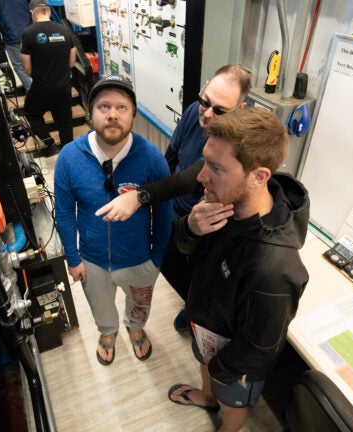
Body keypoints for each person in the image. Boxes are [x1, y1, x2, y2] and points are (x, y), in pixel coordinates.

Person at [166, 107, 310, 432]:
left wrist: (221, 367)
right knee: (208, 375)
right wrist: (190, 227)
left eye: (216, 168)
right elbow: (183, 250)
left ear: (258, 176)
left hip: (232, 361)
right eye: (205, 162)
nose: (202, 177)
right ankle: (207, 397)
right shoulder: (224, 202)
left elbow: (259, 348)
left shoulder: (273, 267)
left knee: (232, 403)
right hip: (205, 325)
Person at [100, 65, 251, 334]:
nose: (207, 113)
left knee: (193, 277)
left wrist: (142, 196)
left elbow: (192, 176)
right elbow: (171, 158)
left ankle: (193, 308)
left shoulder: (236, 141)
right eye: (206, 101)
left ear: (240, 109)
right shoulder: (196, 112)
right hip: (172, 208)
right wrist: (151, 202)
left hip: (202, 221)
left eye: (219, 110)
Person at [54, 75, 172, 366]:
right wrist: (73, 257)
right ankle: (108, 333)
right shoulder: (69, 157)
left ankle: (135, 327)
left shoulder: (151, 157)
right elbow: (65, 211)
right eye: (104, 106)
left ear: (133, 115)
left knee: (140, 303)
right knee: (100, 306)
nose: (112, 114)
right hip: (91, 260)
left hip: (139, 259)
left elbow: (165, 211)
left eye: (122, 108)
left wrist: (156, 258)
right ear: (90, 112)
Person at [20, 0, 76, 157]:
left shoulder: (28, 34)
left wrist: (41, 75)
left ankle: (49, 143)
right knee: (64, 121)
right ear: (49, 12)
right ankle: (69, 152)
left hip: (42, 87)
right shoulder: (65, 31)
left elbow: (26, 67)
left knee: (31, 113)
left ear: (33, 14)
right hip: (64, 86)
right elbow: (71, 62)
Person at [0, 0, 33, 92]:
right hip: (30, 30)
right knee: (36, 63)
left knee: (19, 66)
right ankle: (43, 91)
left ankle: (33, 93)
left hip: (12, 33)